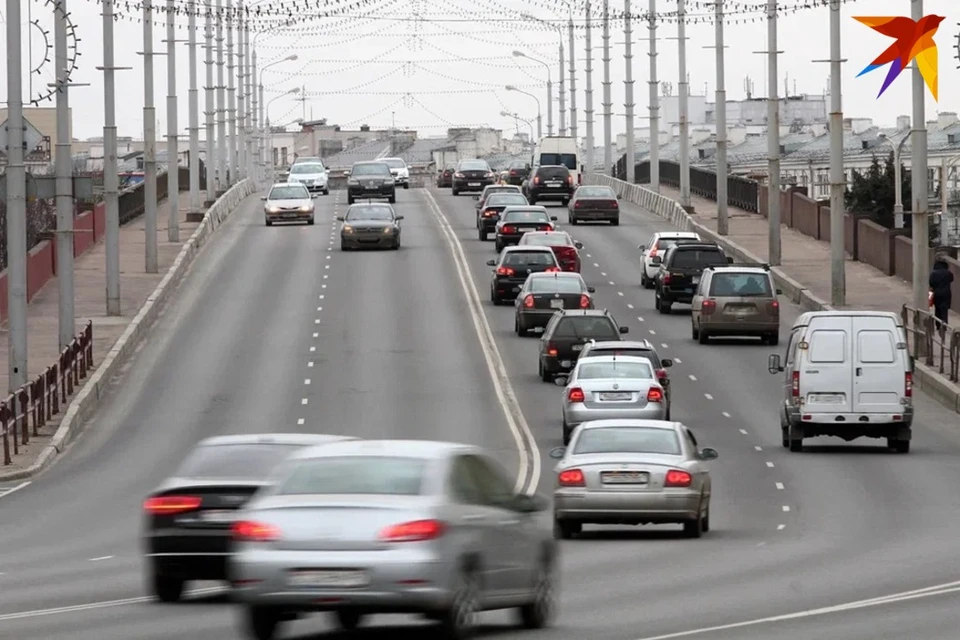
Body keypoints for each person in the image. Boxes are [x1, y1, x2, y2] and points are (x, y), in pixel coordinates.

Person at [928, 253, 954, 326]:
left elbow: (931, 283)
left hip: (937, 293)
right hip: (946, 293)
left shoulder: (933, 273)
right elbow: (951, 279)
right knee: (944, 310)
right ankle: (944, 325)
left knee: (937, 309)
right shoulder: (948, 273)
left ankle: (938, 325)